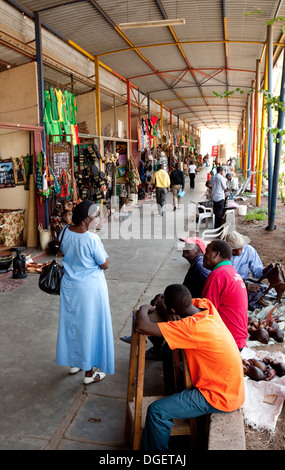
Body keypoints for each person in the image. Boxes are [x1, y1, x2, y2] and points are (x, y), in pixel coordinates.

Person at [135, 284, 245, 450]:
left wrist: (144, 309)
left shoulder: (190, 328)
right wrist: (163, 301)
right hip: (231, 388)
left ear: (172, 310)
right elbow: (179, 302)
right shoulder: (206, 306)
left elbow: (142, 326)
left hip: (219, 396)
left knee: (157, 412)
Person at [56, 200, 115, 384]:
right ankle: (89, 373)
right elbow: (104, 264)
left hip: (69, 286)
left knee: (72, 324)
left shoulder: (65, 231)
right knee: (90, 327)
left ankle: (75, 362)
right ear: (86, 218)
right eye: (96, 215)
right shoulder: (91, 239)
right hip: (90, 289)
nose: (97, 218)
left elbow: (63, 250)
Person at [201, 240, 248, 350]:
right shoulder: (232, 272)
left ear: (216, 254)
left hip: (227, 341)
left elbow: (206, 313)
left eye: (207, 251)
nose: (204, 256)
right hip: (237, 339)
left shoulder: (217, 275)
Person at [225, 231, 272, 310]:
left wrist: (267, 271)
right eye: (234, 250)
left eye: (240, 249)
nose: (238, 253)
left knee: (262, 290)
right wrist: (242, 286)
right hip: (230, 284)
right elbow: (224, 279)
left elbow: (257, 273)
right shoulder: (224, 255)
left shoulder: (249, 250)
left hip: (245, 280)